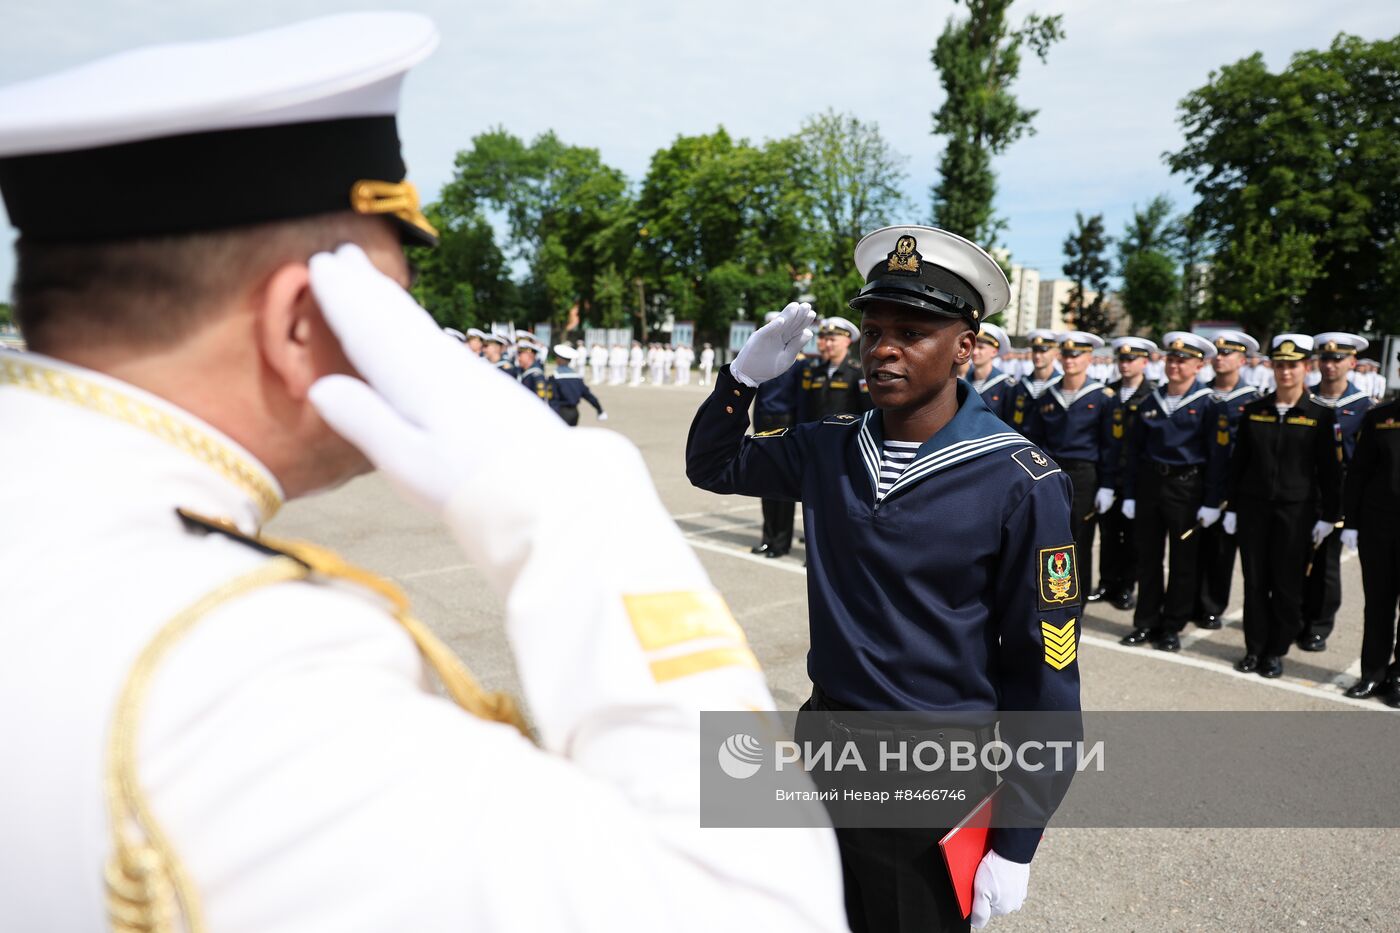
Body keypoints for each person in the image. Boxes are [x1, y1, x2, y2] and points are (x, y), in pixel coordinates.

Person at [0, 14, 847, 932]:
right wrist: (576, 503)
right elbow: (762, 905)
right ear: (299, 320)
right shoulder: (252, 673)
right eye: (392, 295)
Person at [687, 224, 1081, 933]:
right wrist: (740, 380)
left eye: (912, 332)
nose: (883, 349)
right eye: (873, 331)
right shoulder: (831, 446)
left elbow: (1045, 676)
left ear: (965, 347)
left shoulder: (1019, 479)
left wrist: (1017, 840)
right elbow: (712, 466)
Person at [1223, 334, 1341, 678]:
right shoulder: (1255, 411)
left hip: (1296, 512)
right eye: (1279, 365)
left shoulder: (1320, 414)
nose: (1285, 372)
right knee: (1255, 582)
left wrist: (1330, 516)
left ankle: (1275, 651)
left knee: (1287, 585)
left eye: (1293, 366)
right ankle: (1254, 648)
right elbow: (1239, 462)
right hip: (1254, 509)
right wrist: (1232, 507)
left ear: (1306, 368)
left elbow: (1330, 472)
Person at [1119, 332, 1229, 652]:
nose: (1175, 366)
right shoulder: (1150, 401)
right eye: (1171, 359)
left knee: (1183, 562)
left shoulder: (1209, 404)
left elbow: (1217, 457)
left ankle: (1172, 625)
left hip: (1187, 488)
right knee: (1148, 558)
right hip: (1150, 485)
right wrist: (1129, 493)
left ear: (1199, 366)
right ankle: (1146, 621)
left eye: (1183, 361)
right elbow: (1134, 451)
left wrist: (1211, 501)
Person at [1026, 331, 1116, 602]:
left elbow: (1110, 445)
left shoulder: (1102, 397)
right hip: (1052, 473)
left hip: (1084, 475)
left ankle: (1078, 601)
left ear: (1089, 358)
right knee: (1047, 537)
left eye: (1076, 355)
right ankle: (1050, 597)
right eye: (1065, 354)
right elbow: (1036, 440)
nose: (1069, 360)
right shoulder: (1048, 395)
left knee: (1080, 540)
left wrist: (1107, 485)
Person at [1299, 332, 1373, 652]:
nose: (1330, 365)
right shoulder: (1305, 398)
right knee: (1293, 558)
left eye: (1338, 359)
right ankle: (1295, 617)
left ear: (1352, 363)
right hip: (1301, 489)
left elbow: (1364, 462)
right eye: (1326, 359)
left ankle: (1318, 625)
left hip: (1338, 494)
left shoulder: (1364, 407)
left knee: (1326, 565)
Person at [1194, 331, 1263, 629]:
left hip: (1233, 482)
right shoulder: (1201, 394)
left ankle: (1212, 606)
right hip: (1199, 479)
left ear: (1242, 360)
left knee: (1222, 551)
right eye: (1217, 353)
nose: (1220, 358)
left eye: (1228, 353)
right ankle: (1191, 602)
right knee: (1194, 548)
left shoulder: (1253, 400)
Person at [1340, 382, 1400, 705]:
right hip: (1379, 526)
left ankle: (1399, 676)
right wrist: (1351, 522)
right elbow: (1359, 472)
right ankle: (1373, 673)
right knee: (1377, 604)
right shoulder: (1379, 417)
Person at [1098, 336, 1159, 611]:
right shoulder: (1108, 392)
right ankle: (1107, 582)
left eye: (1131, 359)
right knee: (1108, 533)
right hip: (1110, 473)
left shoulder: (1152, 395)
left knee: (1133, 536)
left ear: (1144, 362)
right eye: (1121, 359)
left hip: (1137, 476)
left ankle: (1126, 586)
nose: (1125, 364)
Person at [747, 312, 802, 559]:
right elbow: (758, 401)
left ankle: (781, 543)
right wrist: (756, 431)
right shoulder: (764, 363)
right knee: (765, 485)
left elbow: (799, 401)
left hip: (786, 428)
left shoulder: (797, 364)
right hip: (764, 429)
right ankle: (768, 539)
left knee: (783, 489)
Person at [797, 316, 871, 422]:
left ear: (847, 341)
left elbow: (867, 407)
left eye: (832, 340)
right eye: (826, 339)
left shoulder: (858, 371)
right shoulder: (817, 371)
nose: (828, 344)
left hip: (847, 430)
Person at [1006, 329, 1061, 434]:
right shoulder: (1022, 385)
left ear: (1055, 353)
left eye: (1043, 351)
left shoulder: (1060, 385)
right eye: (1035, 350)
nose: (1037, 356)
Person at [548, 344, 606, 426]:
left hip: (560, 413)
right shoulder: (577, 376)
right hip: (574, 413)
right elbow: (588, 395)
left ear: (559, 360)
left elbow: (553, 400)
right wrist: (599, 409)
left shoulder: (555, 377)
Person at [967, 321, 1013, 421]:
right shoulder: (964, 380)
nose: (975, 352)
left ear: (994, 352)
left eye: (981, 347)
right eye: (973, 346)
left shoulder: (1005, 385)